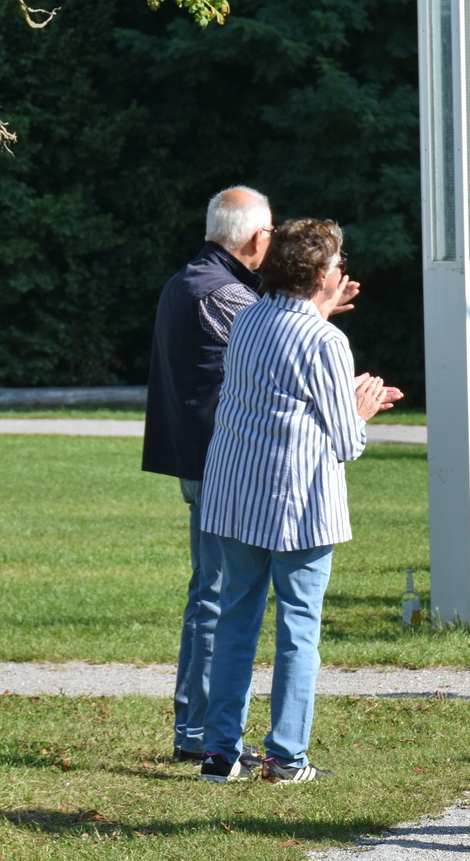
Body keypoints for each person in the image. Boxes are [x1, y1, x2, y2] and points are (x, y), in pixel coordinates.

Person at [196, 219, 399, 783]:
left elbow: (286, 378)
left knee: (236, 621)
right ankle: (286, 756)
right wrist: (362, 406)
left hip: (236, 495)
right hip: (297, 504)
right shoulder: (325, 340)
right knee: (298, 630)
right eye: (336, 263)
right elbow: (345, 441)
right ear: (318, 274)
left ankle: (219, 754)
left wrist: (326, 314)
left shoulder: (249, 318)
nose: (342, 271)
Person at [142, 187, 276, 767]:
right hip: (218, 465)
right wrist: (316, 312)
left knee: (212, 593)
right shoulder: (222, 291)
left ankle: (194, 725)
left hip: (197, 460)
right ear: (254, 237)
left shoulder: (187, 279)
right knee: (219, 598)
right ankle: (199, 730)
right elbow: (276, 354)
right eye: (271, 231)